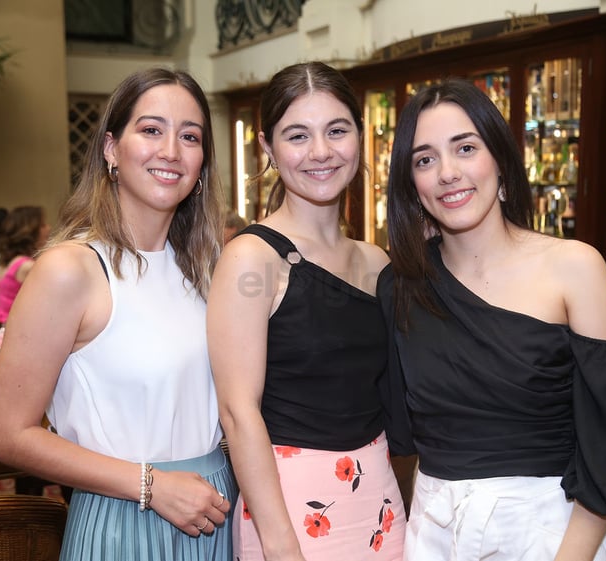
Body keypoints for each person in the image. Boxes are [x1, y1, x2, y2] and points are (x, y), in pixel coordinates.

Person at [378, 78, 606, 561]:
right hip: (432, 533)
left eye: (465, 148)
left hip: (550, 533)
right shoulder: (400, 286)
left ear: (501, 161)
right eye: (425, 160)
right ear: (412, 185)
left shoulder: (575, 268)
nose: (448, 172)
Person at [0, 67, 235, 560]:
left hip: (216, 514)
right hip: (127, 518)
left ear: (202, 163)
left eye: (190, 136)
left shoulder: (207, 270)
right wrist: (151, 486)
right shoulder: (70, 270)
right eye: (150, 130)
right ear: (110, 149)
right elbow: (7, 434)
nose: (171, 150)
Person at [207, 61, 406, 561]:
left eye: (337, 130)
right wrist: (279, 545)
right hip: (291, 506)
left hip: (380, 497)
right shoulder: (252, 257)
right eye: (298, 135)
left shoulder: (377, 261)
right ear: (268, 148)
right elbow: (237, 411)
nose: (321, 152)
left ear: (360, 137)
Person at [0, 205, 49, 322]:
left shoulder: (12, 260)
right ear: (31, 231)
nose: (49, 227)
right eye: (43, 225)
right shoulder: (27, 266)